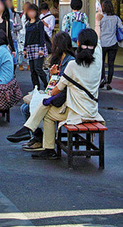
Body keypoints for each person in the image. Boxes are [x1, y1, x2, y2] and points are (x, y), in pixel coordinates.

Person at [23, 28, 104, 160]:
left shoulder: (72, 65)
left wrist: (52, 76)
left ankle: (47, 146)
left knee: (48, 115)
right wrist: (97, 20)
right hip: (92, 110)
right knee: (46, 105)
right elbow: (98, 41)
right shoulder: (98, 62)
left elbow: (56, 90)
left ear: (77, 43)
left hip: (76, 113)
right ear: (94, 46)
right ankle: (30, 127)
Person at [7, 31, 76, 146]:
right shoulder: (60, 59)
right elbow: (54, 84)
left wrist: (55, 77)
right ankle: (36, 136)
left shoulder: (70, 62)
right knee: (25, 106)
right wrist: (52, 75)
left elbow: (62, 86)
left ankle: (35, 136)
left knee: (28, 107)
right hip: (56, 94)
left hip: (63, 100)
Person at [98, 0, 123, 90]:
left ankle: (102, 79)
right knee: (111, 63)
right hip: (113, 43)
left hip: (102, 43)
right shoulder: (116, 18)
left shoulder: (101, 18)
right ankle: (109, 82)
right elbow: (121, 28)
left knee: (101, 63)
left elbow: (97, 27)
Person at [23, 3, 48, 90]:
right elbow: (26, 37)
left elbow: (42, 36)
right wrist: (24, 49)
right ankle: (36, 88)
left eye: (33, 11)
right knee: (32, 70)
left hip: (38, 47)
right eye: (30, 11)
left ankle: (47, 84)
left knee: (38, 68)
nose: (31, 13)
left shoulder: (39, 23)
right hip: (30, 48)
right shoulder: (27, 24)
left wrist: (41, 48)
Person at [6, 0, 23, 64]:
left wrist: (13, 28)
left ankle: (14, 65)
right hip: (6, 37)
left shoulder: (16, 15)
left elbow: (20, 26)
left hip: (13, 36)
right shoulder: (3, 15)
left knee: (14, 52)